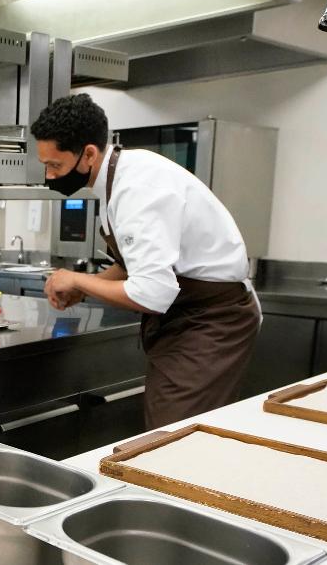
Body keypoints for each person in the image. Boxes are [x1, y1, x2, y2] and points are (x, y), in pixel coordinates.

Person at [32, 94, 261, 428]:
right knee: (170, 433)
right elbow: (132, 267)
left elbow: (152, 293)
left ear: (89, 154)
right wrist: (86, 290)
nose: (50, 177)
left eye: (56, 165)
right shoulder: (117, 178)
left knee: (175, 439)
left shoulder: (138, 188)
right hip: (186, 318)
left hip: (211, 323)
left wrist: (79, 280)